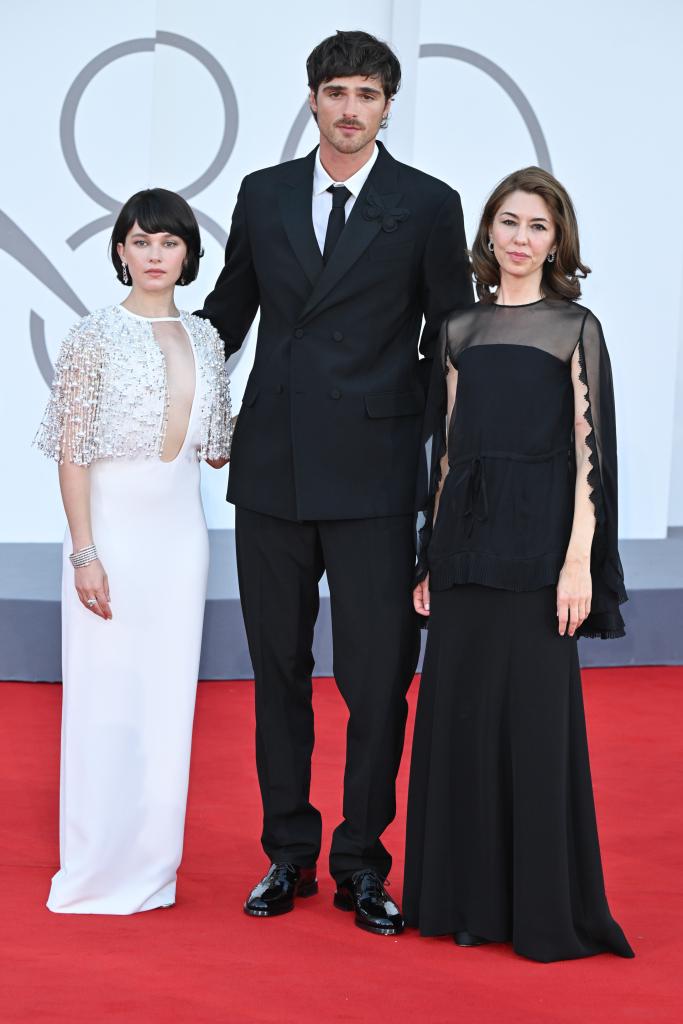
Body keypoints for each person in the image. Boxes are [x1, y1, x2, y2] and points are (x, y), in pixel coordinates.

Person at [197, 30, 471, 935]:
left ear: (387, 104)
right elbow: (228, 313)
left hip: (376, 478)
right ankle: (288, 855)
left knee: (374, 678)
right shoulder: (262, 193)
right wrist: (143, 344)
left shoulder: (426, 204)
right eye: (335, 92)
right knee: (276, 672)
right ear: (310, 99)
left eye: (366, 93)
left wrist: (439, 453)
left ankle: (361, 861)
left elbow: (450, 341)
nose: (350, 109)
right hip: (271, 470)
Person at [403, 167, 634, 962]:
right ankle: (463, 903)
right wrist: (430, 556)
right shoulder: (459, 330)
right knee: (461, 725)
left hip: (539, 551)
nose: (519, 238)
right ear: (488, 234)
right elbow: (446, 452)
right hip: (464, 552)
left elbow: (589, 456)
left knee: (533, 729)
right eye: (508, 222)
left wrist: (578, 564)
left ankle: (538, 910)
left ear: (555, 240)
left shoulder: (574, 327)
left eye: (536, 225)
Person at [34, 188, 232, 913]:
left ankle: (152, 866)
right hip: (110, 535)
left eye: (169, 243)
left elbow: (215, 452)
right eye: (141, 241)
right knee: (100, 695)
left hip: (182, 540)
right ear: (120, 250)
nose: (155, 255)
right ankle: (92, 865)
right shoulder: (93, 335)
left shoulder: (207, 339)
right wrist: (85, 552)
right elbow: (71, 452)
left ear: (187, 255)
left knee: (165, 699)